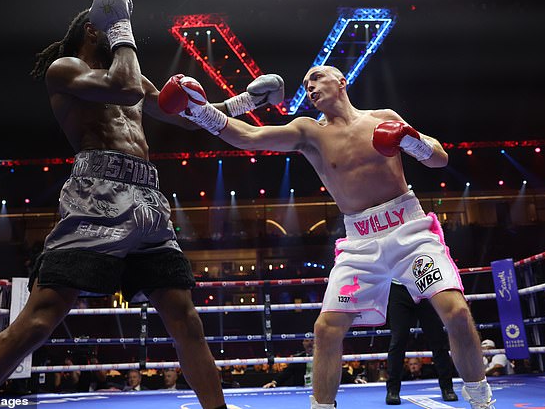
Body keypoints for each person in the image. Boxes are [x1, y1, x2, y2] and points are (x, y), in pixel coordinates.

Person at [0, 0, 256, 409]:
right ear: (95, 29)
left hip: (148, 201)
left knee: (186, 318)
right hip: (96, 197)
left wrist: (247, 101)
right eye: (112, 26)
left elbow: (186, 116)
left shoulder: (130, 73)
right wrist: (120, 28)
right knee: (38, 321)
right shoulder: (65, 69)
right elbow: (123, 89)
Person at [158, 65, 495, 409]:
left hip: (409, 230)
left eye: (317, 77)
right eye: (306, 84)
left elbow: (440, 159)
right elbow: (246, 136)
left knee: (454, 311)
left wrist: (411, 140)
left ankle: (481, 399)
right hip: (360, 241)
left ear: (341, 81)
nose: (310, 86)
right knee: (325, 329)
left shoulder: (383, 117)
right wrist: (199, 110)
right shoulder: (309, 132)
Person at [386, 281, 458, 404]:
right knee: (398, 341)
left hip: (425, 285)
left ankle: (447, 388)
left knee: (438, 339)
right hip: (398, 286)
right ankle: (392, 390)